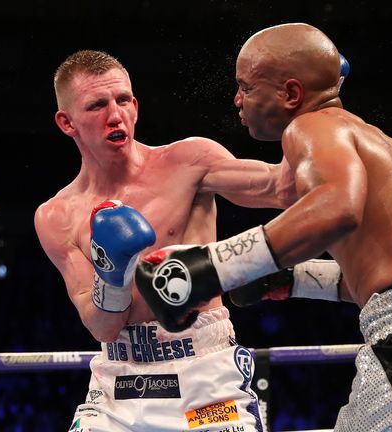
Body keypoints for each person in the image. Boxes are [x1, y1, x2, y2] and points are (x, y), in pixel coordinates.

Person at [134, 23, 392, 431]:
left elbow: (337, 208)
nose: (237, 100)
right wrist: (293, 278)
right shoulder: (387, 147)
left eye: (246, 86)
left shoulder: (309, 126)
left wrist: (212, 266)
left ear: (291, 93)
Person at [33, 49, 298, 432]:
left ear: (135, 107)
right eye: (96, 105)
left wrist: (312, 109)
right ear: (67, 122)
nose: (115, 114)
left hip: (203, 374)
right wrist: (113, 274)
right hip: (119, 383)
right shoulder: (56, 216)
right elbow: (103, 328)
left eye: (123, 100)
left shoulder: (189, 163)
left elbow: (283, 189)